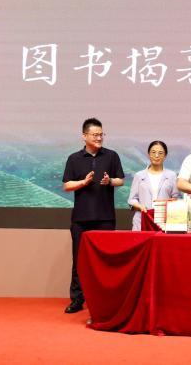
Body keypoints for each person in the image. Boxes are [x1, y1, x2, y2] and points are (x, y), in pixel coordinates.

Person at [62, 118, 124, 314]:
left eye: (101, 135)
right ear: (84, 136)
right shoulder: (74, 158)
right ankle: (77, 299)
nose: (99, 138)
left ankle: (105, 299)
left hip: (105, 218)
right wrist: (83, 182)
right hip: (81, 219)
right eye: (95, 135)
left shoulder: (111, 156)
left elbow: (121, 180)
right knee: (79, 260)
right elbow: (67, 185)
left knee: (106, 261)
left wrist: (109, 181)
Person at [127, 140, 180, 231]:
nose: (156, 155)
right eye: (153, 152)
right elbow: (132, 199)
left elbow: (176, 197)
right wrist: (140, 206)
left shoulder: (171, 175)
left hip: (164, 221)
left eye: (160, 153)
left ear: (165, 156)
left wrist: (172, 202)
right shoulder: (139, 175)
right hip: (142, 218)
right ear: (149, 154)